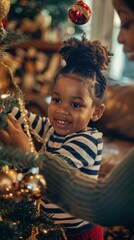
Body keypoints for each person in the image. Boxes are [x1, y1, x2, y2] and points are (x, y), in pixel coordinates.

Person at [0, 36, 112, 240]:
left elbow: (53, 174)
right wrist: (4, 109)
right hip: (49, 227)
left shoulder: (88, 141)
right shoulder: (52, 127)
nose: (62, 111)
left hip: (78, 233)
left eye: (75, 104)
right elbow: (26, 117)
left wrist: (26, 156)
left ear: (96, 111)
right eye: (57, 99)